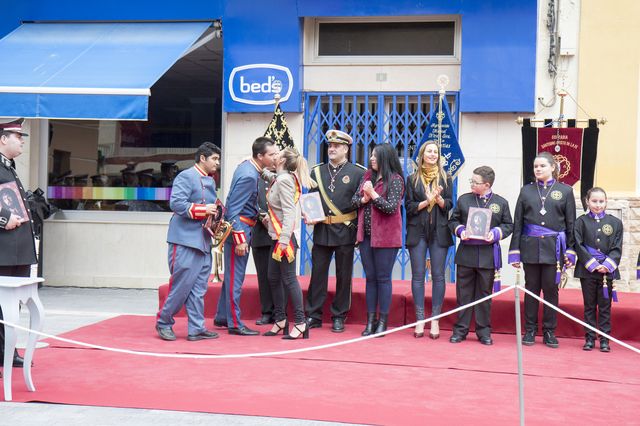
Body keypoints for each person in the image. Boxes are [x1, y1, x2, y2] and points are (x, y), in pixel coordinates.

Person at [509, 151, 577, 348]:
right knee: (531, 290)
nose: (538, 169)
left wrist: (570, 250)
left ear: (553, 168)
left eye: (542, 166)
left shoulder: (565, 191)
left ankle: (549, 331)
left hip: (554, 250)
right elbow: (518, 222)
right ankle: (530, 330)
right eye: (535, 166)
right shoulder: (526, 191)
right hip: (530, 247)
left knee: (550, 291)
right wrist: (515, 250)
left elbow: (570, 223)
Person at [155, 142, 221, 342]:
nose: (217, 163)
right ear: (202, 158)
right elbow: (176, 203)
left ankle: (196, 328)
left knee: (198, 289)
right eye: (215, 159)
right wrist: (204, 210)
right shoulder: (186, 176)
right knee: (181, 286)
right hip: (184, 240)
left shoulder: (209, 179)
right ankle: (163, 321)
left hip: (203, 240)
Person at [214, 137, 278, 336]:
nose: (275, 157)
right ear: (260, 156)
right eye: (272, 154)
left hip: (241, 227)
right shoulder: (249, 175)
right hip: (239, 229)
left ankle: (222, 316)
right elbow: (233, 209)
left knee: (232, 277)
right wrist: (240, 239)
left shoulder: (249, 168)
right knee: (235, 279)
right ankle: (234, 323)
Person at [304, 129, 365, 333]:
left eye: (336, 146)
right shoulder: (317, 172)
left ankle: (339, 315)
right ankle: (314, 314)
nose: (332, 149)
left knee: (343, 275)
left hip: (345, 230)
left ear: (346, 149)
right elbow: (311, 199)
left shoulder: (358, 172)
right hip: (322, 229)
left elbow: (361, 206)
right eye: (330, 145)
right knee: (318, 274)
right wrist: (308, 214)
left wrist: (359, 233)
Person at [448, 166, 513, 345]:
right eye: (471, 181)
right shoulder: (464, 199)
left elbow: (509, 224)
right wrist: (460, 230)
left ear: (486, 184)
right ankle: (460, 330)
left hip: (487, 256)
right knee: (464, 294)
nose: (471, 184)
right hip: (466, 254)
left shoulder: (500, 202)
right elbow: (453, 220)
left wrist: (497, 233)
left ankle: (483, 331)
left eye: (475, 182)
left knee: (484, 295)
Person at [262, 147, 317, 339]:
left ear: (283, 160)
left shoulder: (285, 180)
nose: (275, 156)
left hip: (283, 239)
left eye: (279, 154)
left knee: (288, 279)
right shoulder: (283, 177)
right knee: (273, 277)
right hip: (276, 236)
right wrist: (260, 169)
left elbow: (288, 213)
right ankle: (280, 319)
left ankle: (300, 322)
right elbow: (272, 179)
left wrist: (284, 240)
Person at [352, 143, 404, 336]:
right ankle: (370, 321)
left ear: (385, 158)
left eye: (375, 156)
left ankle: (383, 321)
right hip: (366, 236)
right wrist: (363, 200)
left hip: (386, 239)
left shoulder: (396, 180)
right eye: (371, 155)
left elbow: (391, 207)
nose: (371, 158)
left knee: (383, 279)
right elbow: (353, 201)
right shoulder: (367, 176)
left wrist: (372, 195)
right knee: (370, 279)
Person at [405, 140, 453, 339]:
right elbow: (408, 206)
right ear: (422, 154)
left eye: (435, 152)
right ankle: (419, 320)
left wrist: (440, 200)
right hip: (418, 232)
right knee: (417, 276)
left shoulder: (446, 178)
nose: (432, 154)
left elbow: (450, 204)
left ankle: (435, 320)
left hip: (439, 232)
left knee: (439, 276)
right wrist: (427, 201)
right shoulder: (412, 179)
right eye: (429, 151)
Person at [0, 118, 37, 368]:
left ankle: (6, 351)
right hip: (3, 250)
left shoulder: (8, 166)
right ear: (3, 138)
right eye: (17, 136)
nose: (22, 140)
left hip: (17, 250)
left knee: (13, 307)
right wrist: (3, 218)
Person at [574, 187, 622, 352]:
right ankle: (589, 338)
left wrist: (607, 265)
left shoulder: (615, 223)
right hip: (587, 271)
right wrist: (594, 265)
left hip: (607, 272)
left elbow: (617, 247)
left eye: (601, 201)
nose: (598, 204)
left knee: (604, 306)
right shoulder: (580, 222)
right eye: (594, 201)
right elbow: (578, 245)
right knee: (589, 306)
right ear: (587, 202)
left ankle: (604, 340)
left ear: (606, 202)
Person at [251, 172, 275, 326]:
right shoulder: (254, 178)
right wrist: (262, 216)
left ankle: (280, 312)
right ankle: (267, 311)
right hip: (260, 233)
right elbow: (249, 202)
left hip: (279, 234)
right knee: (263, 276)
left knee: (280, 276)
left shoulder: (284, 177)